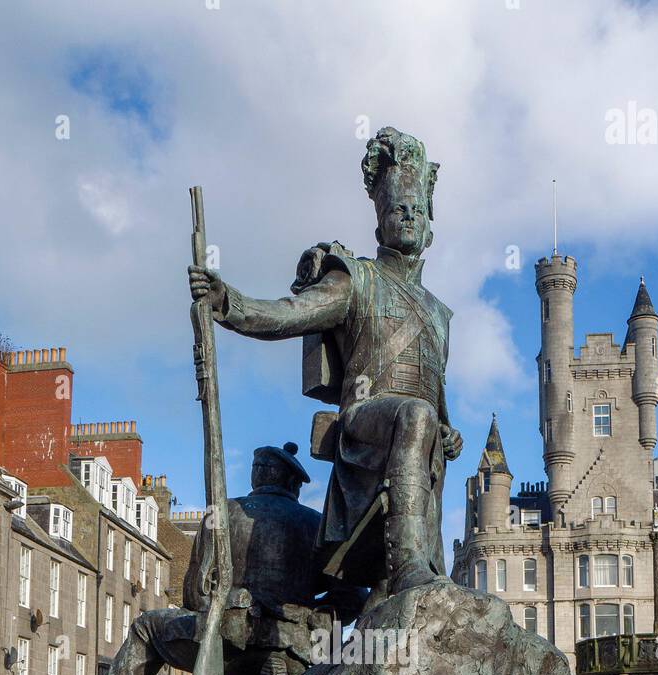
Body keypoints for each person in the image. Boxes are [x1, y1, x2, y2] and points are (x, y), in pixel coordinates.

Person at [188, 126, 463, 601]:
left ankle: (399, 582)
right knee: (415, 418)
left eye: (417, 210)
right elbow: (287, 314)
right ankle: (406, 564)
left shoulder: (440, 314)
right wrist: (228, 301)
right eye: (399, 208)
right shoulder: (355, 279)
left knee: (422, 421)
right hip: (364, 423)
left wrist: (449, 430)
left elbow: (434, 394)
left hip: (416, 440)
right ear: (379, 223)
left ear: (431, 227)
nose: (409, 217)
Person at [69, 442, 363, 675]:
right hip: (291, 645)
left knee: (146, 628)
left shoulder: (221, 514)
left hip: (226, 638)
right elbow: (352, 597)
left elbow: (194, 594)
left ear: (256, 477)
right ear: (293, 484)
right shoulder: (315, 524)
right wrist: (307, 614)